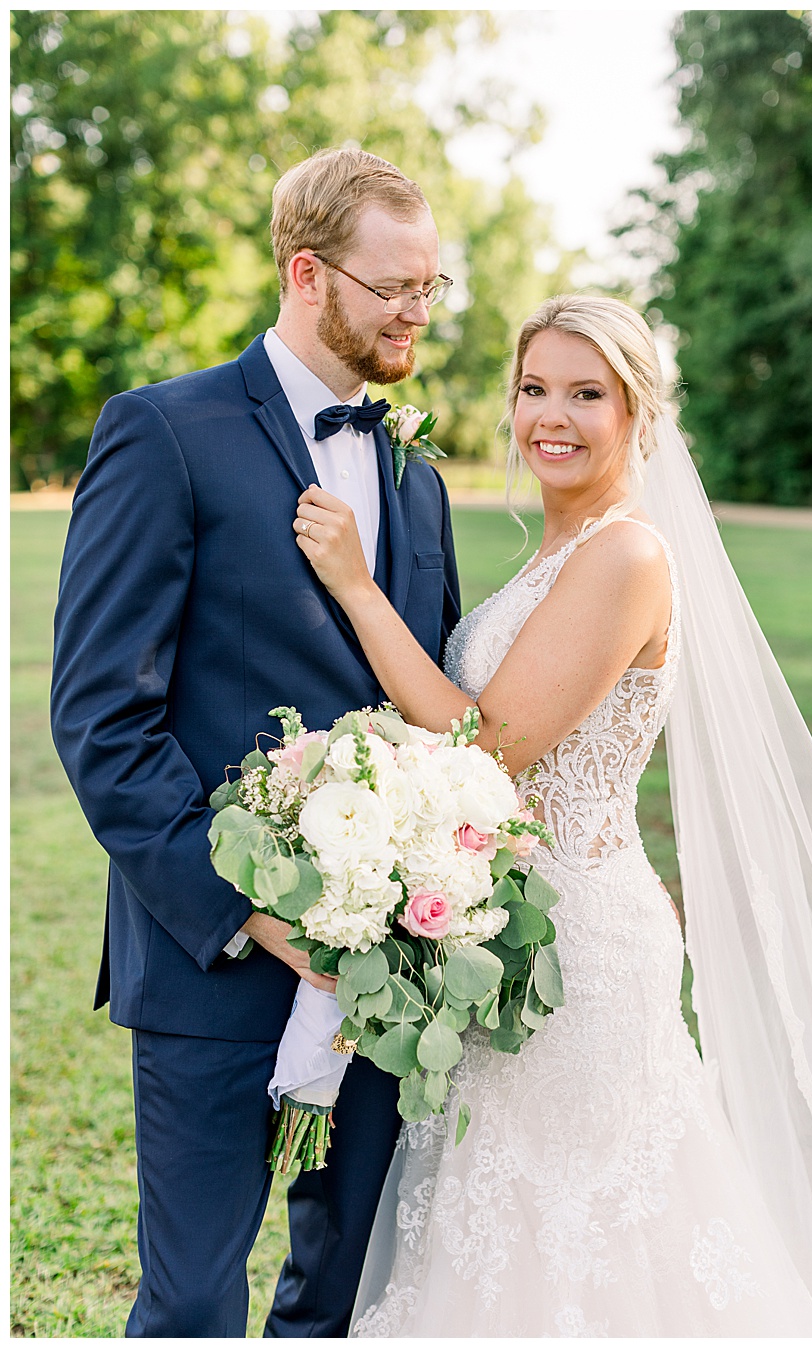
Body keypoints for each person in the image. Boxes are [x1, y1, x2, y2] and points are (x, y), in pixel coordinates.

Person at [289, 293, 812, 1336]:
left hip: (583, 953)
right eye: (533, 389)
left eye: (586, 393)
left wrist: (354, 587)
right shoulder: (555, 552)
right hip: (506, 928)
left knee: (583, 1232)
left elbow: (487, 748)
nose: (551, 417)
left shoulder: (628, 555)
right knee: (497, 1222)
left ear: (638, 415)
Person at [50, 147, 461, 1335]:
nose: (418, 313)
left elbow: (425, 701)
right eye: (395, 288)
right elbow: (101, 716)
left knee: (341, 1299)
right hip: (210, 960)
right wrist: (247, 913)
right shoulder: (161, 432)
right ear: (305, 273)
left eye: (432, 287)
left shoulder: (411, 470)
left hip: (391, 967)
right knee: (187, 1302)